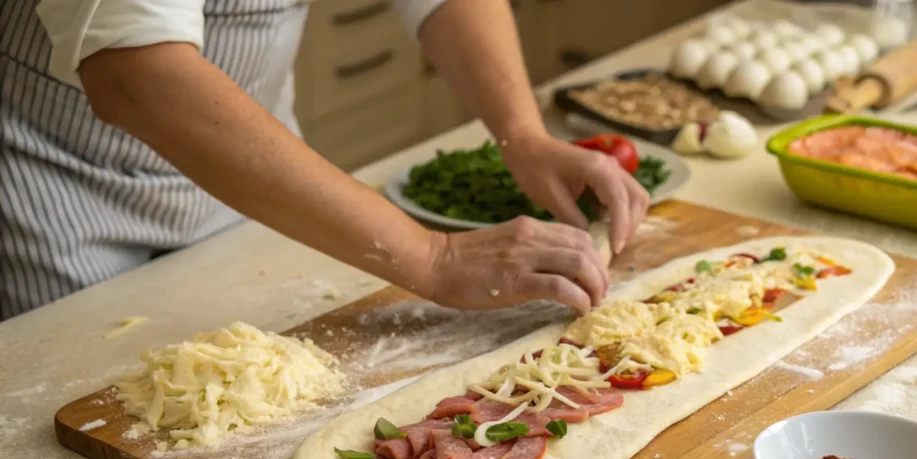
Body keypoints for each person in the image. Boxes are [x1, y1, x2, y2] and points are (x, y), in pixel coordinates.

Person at [0, 0, 650, 321]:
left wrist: (522, 132)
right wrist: (433, 258)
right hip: (61, 185)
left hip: (255, 172)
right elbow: (136, 75)